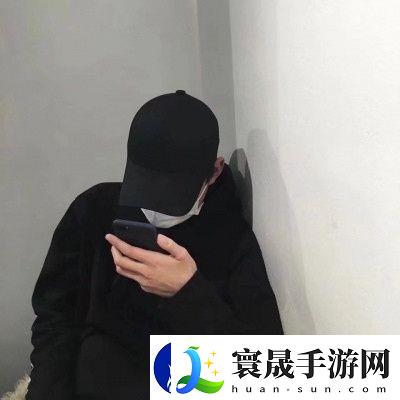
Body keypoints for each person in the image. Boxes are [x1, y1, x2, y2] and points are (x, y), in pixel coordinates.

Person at [26, 90, 284, 400]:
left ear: (214, 172)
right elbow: (55, 319)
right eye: (146, 187)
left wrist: (187, 292)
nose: (155, 207)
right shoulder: (94, 209)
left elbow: (263, 366)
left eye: (172, 195)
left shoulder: (232, 239)